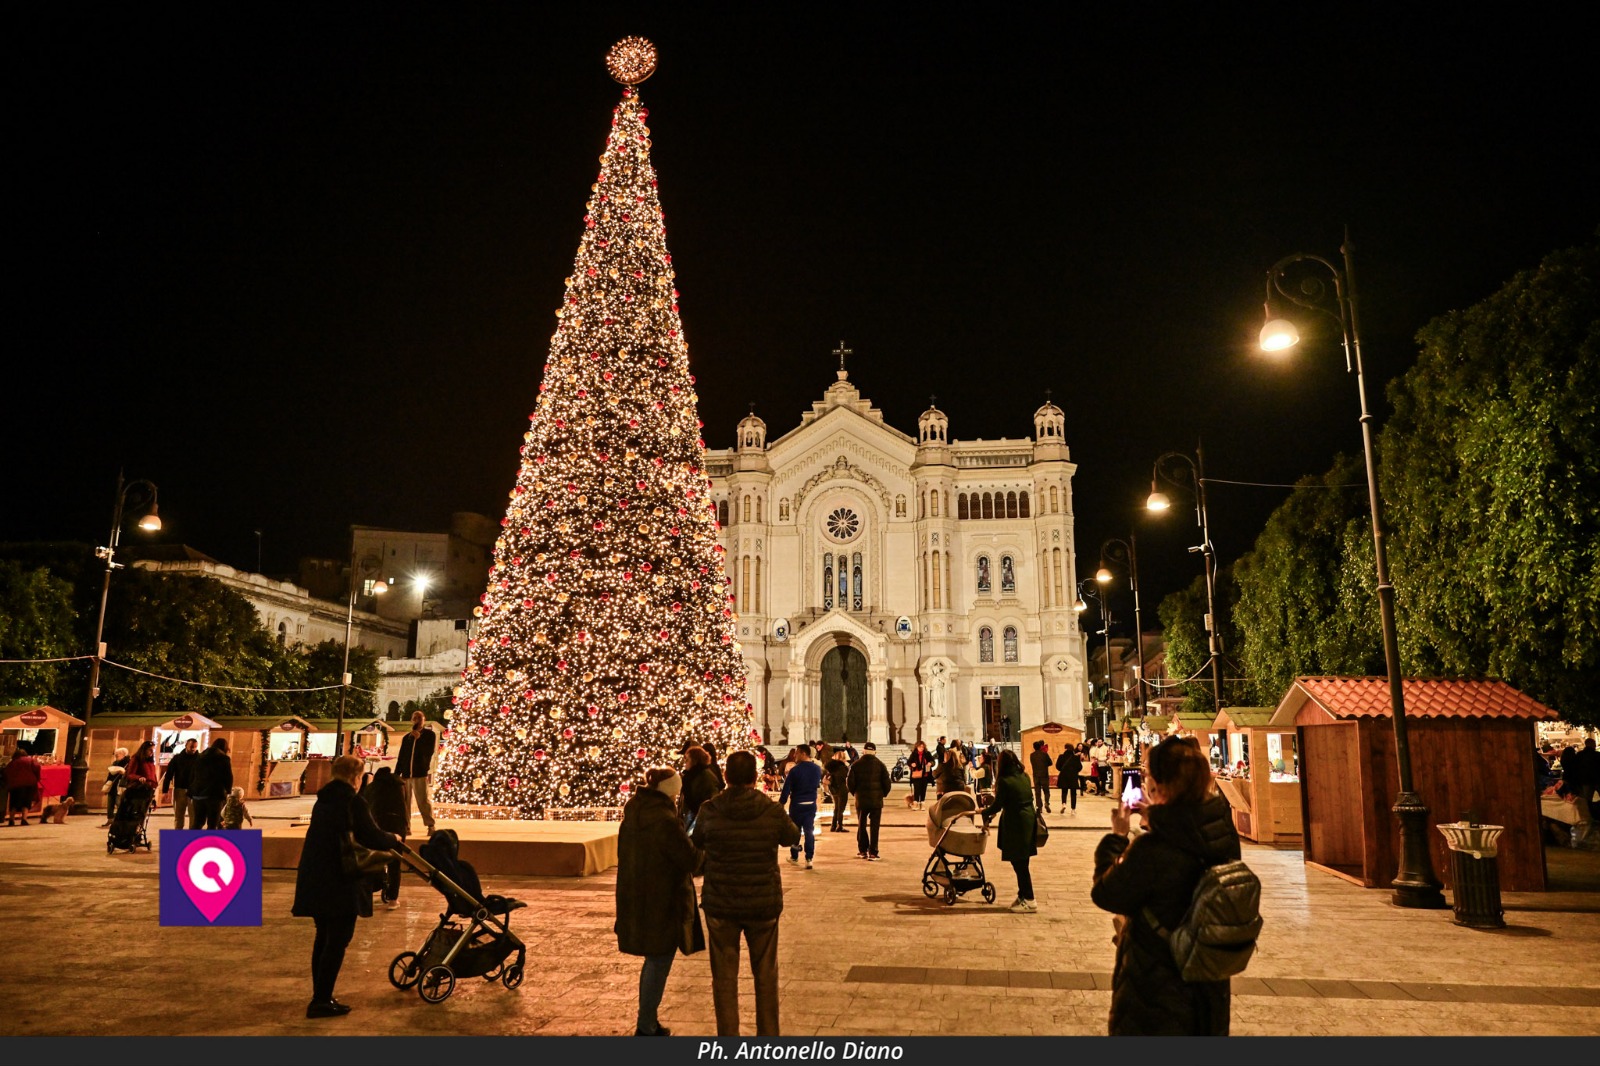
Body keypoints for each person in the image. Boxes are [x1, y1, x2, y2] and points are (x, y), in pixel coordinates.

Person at [1090, 735, 1240, 1035]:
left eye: (1148, 778)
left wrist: (1117, 838)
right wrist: (1157, 816)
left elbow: (1107, 893)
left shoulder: (1153, 849)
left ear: (1160, 786)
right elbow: (1186, 830)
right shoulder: (1221, 833)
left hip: (1156, 990)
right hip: (1208, 986)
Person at [692, 750, 800, 1036]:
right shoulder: (769, 808)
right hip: (762, 904)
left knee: (724, 978)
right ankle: (768, 1038)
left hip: (721, 903)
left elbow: (697, 842)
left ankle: (728, 1039)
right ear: (755, 777)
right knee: (766, 975)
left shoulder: (710, 809)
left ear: (725, 776)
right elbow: (791, 837)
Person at [291, 754, 400, 1018]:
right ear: (357, 777)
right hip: (341, 881)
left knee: (323, 937)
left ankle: (320, 994)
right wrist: (393, 837)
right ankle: (321, 999)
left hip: (316, 878)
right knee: (337, 941)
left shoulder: (324, 800)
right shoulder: (353, 802)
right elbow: (371, 835)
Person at [617, 767, 701, 1037]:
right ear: (669, 791)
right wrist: (705, 853)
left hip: (636, 894)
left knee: (655, 957)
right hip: (662, 898)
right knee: (659, 958)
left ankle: (647, 1022)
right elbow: (688, 859)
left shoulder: (634, 810)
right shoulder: (664, 818)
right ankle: (646, 1024)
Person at [983, 749, 1038, 912]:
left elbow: (998, 804)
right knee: (1023, 860)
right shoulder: (1024, 776)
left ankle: (1030, 900)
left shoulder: (1004, 781)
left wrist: (984, 812)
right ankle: (1023, 895)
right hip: (1028, 818)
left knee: (1019, 863)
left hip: (1016, 821)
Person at [364, 766, 408, 906]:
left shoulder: (371, 788)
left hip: (378, 823)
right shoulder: (400, 785)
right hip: (398, 825)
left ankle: (371, 888)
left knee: (374, 858)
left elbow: (367, 806)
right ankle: (392, 898)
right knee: (395, 862)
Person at [395, 711, 438, 838]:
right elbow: (401, 756)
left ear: (424, 720)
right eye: (414, 717)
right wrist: (397, 773)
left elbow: (429, 752)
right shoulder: (407, 737)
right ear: (411, 721)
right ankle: (406, 826)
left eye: (419, 717)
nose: (417, 719)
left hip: (420, 773)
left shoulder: (429, 735)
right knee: (405, 802)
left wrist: (418, 740)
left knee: (423, 801)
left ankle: (430, 825)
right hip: (406, 774)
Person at [779, 744, 822, 869]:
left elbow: (786, 790)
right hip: (810, 804)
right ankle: (809, 858)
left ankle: (794, 855)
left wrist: (781, 803)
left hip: (797, 804)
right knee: (809, 830)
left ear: (804, 753)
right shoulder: (816, 769)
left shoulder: (795, 770)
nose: (794, 755)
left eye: (796, 753)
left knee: (795, 831)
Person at [848, 741, 891, 861]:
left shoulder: (856, 765)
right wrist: (883, 794)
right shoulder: (880, 765)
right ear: (875, 752)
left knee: (861, 825)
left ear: (864, 751)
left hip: (861, 800)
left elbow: (850, 783)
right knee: (874, 826)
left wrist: (855, 793)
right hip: (876, 800)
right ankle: (873, 852)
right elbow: (887, 783)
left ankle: (862, 850)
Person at [188, 737, 234, 831]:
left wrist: (192, 790)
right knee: (213, 823)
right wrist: (228, 791)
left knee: (197, 822)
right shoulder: (224, 758)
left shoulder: (200, 757)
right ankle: (210, 844)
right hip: (214, 795)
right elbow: (228, 776)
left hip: (198, 794)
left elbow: (192, 774)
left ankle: (191, 843)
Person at [161, 738, 200, 830]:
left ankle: (192, 836)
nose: (193, 749)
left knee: (194, 816)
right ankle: (178, 834)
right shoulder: (177, 758)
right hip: (179, 789)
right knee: (179, 816)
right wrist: (165, 790)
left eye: (195, 747)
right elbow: (169, 774)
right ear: (186, 745)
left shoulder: (200, 758)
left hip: (194, 791)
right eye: (191, 747)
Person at [680, 745, 721, 831]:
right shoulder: (690, 776)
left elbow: (710, 799)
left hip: (698, 821)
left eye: (687, 759)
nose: (685, 762)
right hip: (691, 819)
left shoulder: (705, 776)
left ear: (695, 760)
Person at [4, 745, 42, 826]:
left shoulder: (12, 762)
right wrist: (37, 778)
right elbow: (37, 768)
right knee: (26, 802)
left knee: (14, 802)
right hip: (29, 784)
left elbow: (6, 772)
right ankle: (24, 819)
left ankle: (11, 820)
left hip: (15, 786)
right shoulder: (30, 760)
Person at [101, 746, 130, 827]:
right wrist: (106, 786)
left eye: (118, 754)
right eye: (116, 754)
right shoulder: (115, 763)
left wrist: (124, 773)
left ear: (124, 754)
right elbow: (110, 775)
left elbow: (130, 774)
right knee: (110, 804)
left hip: (121, 786)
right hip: (112, 786)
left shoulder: (128, 763)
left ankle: (121, 821)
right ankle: (110, 819)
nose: (116, 755)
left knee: (119, 803)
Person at [825, 750, 851, 832]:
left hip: (833, 789)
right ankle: (840, 826)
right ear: (842, 758)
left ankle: (833, 826)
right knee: (841, 809)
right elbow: (845, 778)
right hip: (842, 789)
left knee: (836, 808)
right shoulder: (842, 767)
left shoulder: (832, 766)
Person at [907, 740, 934, 811]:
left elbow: (932, 761)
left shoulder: (927, 753)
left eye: (922, 747)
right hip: (916, 774)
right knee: (917, 789)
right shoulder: (914, 754)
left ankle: (922, 804)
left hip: (925, 775)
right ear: (916, 747)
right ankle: (915, 803)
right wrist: (911, 764)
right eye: (920, 747)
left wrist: (930, 763)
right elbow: (909, 761)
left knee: (923, 789)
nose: (921, 748)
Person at [1056, 744, 1083, 812]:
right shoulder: (1076, 757)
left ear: (1065, 749)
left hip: (1064, 776)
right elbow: (1080, 767)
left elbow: (1057, 766)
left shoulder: (1061, 756)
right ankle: (1073, 809)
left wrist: (1063, 770)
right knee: (1073, 793)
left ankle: (1064, 804)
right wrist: (1075, 771)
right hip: (1073, 776)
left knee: (1064, 791)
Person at [1029, 740, 1054, 814]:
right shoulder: (1044, 754)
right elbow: (1050, 763)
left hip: (1036, 775)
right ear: (1040, 747)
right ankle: (1047, 802)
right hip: (1044, 775)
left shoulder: (1032, 755)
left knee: (1037, 792)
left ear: (1034, 747)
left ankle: (1039, 807)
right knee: (1046, 791)